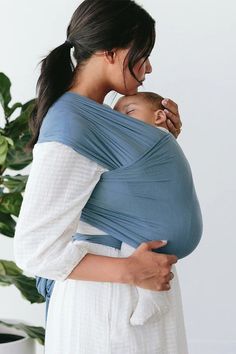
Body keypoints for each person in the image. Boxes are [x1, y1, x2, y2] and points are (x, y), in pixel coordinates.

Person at [13, 1, 191, 353]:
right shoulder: (73, 123)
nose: (149, 67)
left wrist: (160, 144)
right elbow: (33, 250)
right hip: (109, 303)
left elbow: (121, 185)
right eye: (142, 54)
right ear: (111, 51)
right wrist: (130, 271)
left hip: (134, 289)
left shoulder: (97, 117)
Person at [112, 91, 202, 325]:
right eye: (116, 117)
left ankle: (153, 298)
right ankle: (152, 298)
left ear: (160, 117)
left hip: (156, 230)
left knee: (131, 243)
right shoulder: (162, 143)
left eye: (129, 112)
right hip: (172, 226)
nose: (121, 120)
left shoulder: (151, 140)